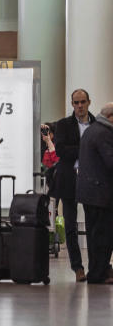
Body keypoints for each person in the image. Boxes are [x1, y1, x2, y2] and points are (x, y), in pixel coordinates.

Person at [51, 89, 95, 282]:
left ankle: (98, 267)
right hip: (69, 179)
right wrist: (86, 150)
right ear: (72, 104)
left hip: (93, 180)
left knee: (95, 225)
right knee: (70, 225)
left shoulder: (97, 125)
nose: (79, 106)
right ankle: (77, 267)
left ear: (89, 102)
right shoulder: (63, 125)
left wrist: (77, 151)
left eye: (82, 102)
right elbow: (61, 150)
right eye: (76, 102)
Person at [77, 103, 113, 284]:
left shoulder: (92, 130)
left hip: (90, 193)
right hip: (101, 194)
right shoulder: (104, 134)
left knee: (94, 236)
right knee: (103, 236)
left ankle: (98, 271)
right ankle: (98, 274)